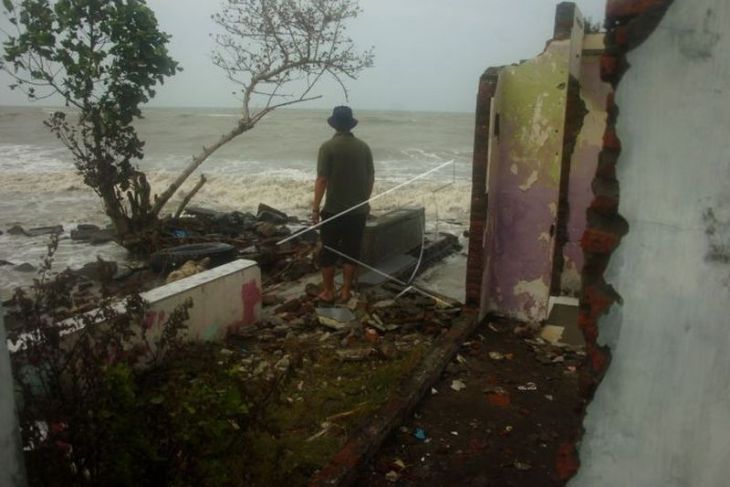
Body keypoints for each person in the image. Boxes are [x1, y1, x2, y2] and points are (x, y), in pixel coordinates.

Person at [312, 106, 374, 303]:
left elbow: (322, 179)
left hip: (333, 211)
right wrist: (365, 199)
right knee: (351, 251)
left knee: (328, 251)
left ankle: (329, 291)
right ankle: (346, 290)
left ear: (335, 125)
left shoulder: (327, 147)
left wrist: (315, 208)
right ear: (350, 124)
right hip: (358, 211)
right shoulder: (363, 147)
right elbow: (371, 177)